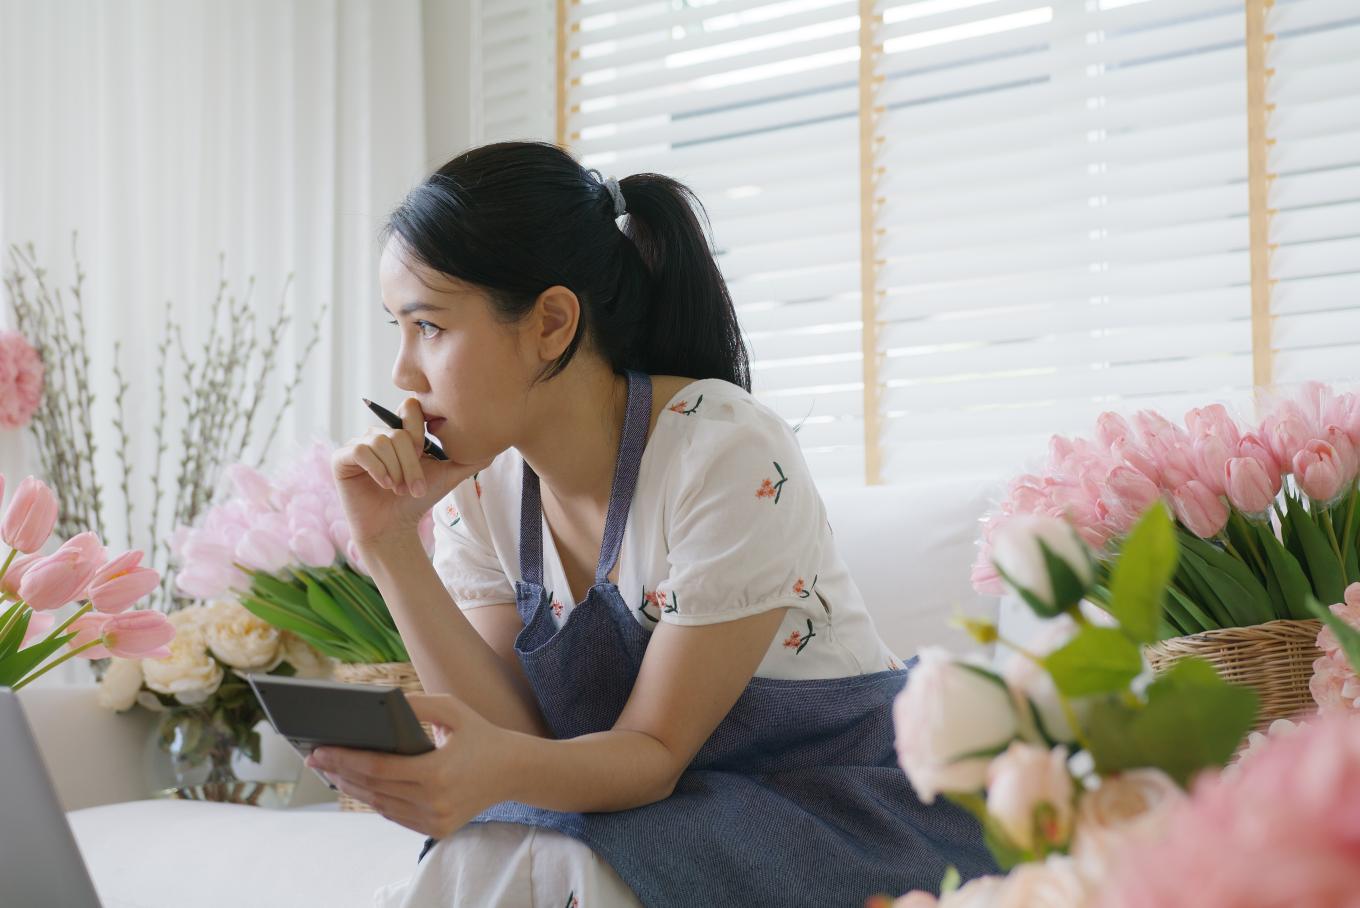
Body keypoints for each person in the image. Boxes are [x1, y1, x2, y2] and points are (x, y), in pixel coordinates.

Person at [317, 141, 995, 907]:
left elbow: (651, 755)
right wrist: (389, 543)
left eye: (429, 327)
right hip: (665, 811)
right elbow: (524, 748)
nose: (404, 373)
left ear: (550, 322)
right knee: (500, 842)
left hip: (834, 807)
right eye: (397, 330)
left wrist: (497, 774)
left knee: (550, 854)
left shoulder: (724, 448)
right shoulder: (482, 488)